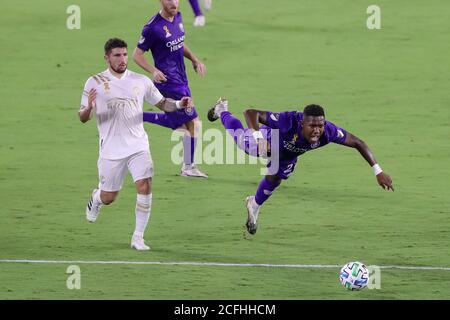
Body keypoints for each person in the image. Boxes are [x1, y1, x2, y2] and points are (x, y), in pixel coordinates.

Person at [207, 99, 394, 235]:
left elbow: (358, 142)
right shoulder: (288, 121)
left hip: (287, 155)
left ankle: (253, 204)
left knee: (275, 178)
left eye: (320, 125)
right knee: (243, 142)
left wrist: (378, 170)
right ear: (302, 123)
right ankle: (222, 110)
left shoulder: (328, 132)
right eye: (312, 125)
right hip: (269, 139)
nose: (317, 130)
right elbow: (251, 112)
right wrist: (259, 139)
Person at [79, 38, 193, 250]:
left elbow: (162, 103)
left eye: (124, 55)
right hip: (111, 150)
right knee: (109, 197)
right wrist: (88, 109)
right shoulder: (93, 82)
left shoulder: (140, 81)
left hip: (138, 145)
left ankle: (138, 237)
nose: (122, 60)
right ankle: (96, 198)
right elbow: (82, 117)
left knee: (145, 184)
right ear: (106, 58)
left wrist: (179, 103)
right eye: (117, 55)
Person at [133, 0, 208, 178]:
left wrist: (195, 60)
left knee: (183, 125)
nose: (173, 2)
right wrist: (154, 70)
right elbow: (137, 55)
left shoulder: (178, 17)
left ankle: (139, 116)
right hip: (168, 83)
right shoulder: (152, 27)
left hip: (182, 79)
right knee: (194, 123)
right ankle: (188, 167)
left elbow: (179, 43)